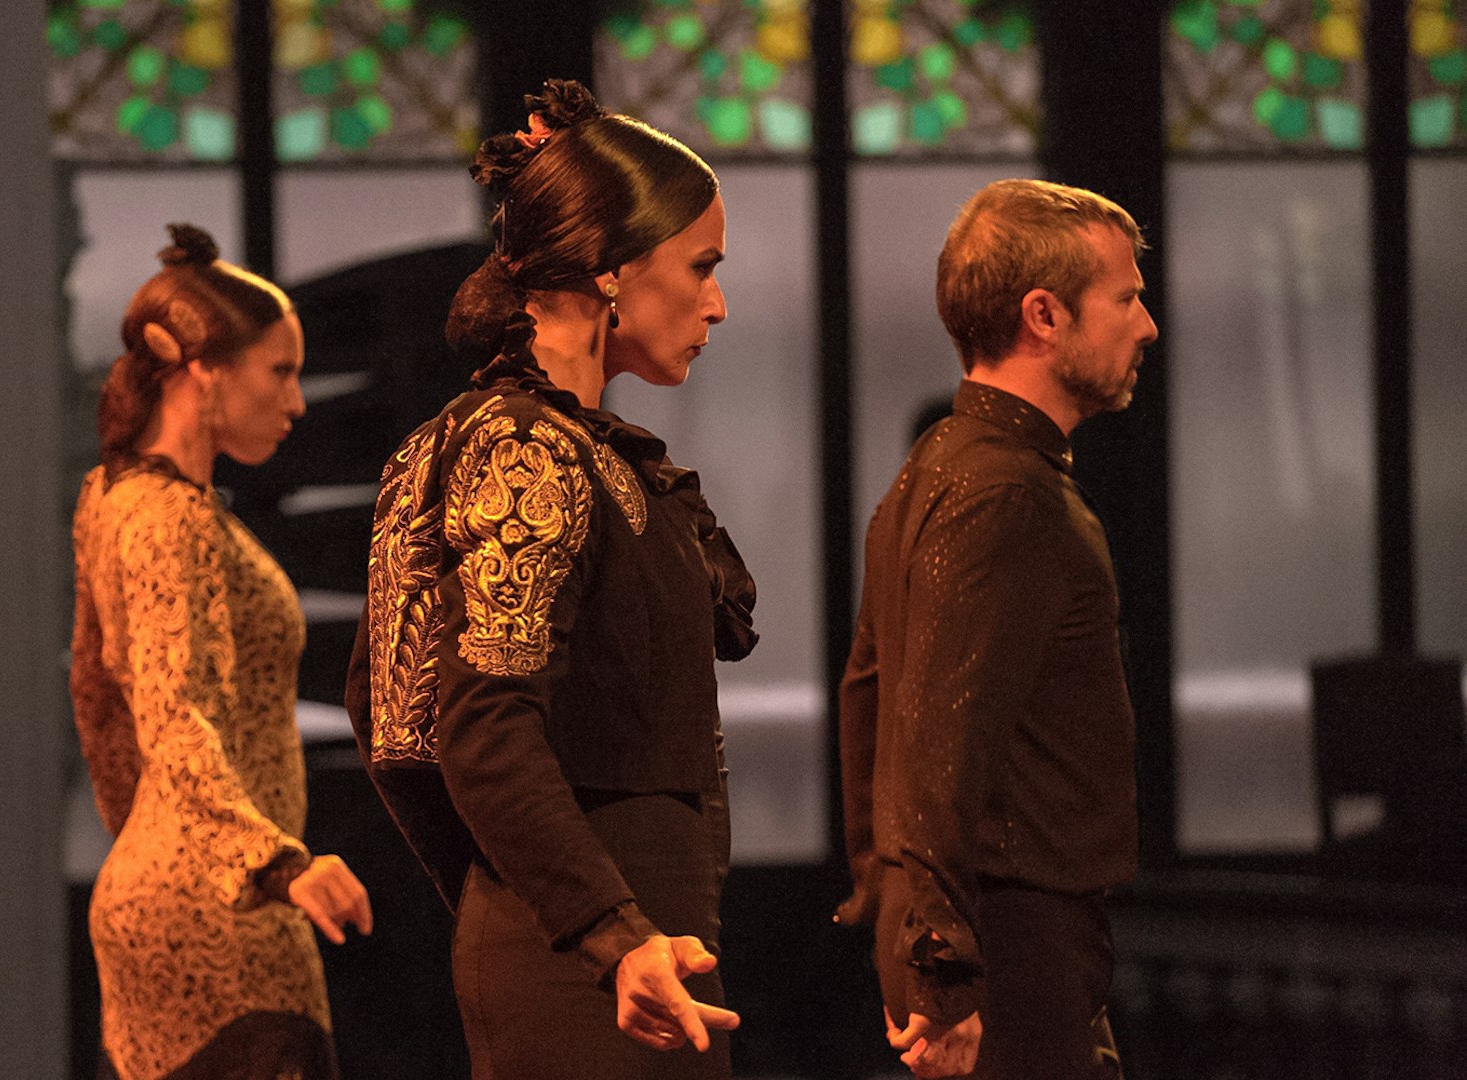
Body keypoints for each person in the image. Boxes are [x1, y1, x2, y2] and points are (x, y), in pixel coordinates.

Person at [343, 79, 758, 1079]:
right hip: (598, 967)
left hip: (614, 948)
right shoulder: (523, 448)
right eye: (700, 268)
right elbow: (464, 725)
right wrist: (586, 924)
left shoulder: (560, 443)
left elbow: (387, 712)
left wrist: (531, 898)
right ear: (613, 271)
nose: (717, 302)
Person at [837, 178, 1158, 1079]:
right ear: (1044, 315)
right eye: (1127, 298)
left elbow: (868, 699)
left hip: (983, 928)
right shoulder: (1002, 493)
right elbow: (935, 737)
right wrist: (937, 967)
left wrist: (888, 898)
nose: (1146, 326)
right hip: (1011, 938)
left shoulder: (939, 469)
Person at [71, 224, 373, 1080]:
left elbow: (97, 699)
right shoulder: (169, 519)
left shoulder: (114, 495)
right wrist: (274, 861)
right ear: (202, 368)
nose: (298, 400)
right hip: (229, 907)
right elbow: (170, 715)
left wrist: (150, 842)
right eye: (279, 371)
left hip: (168, 886)